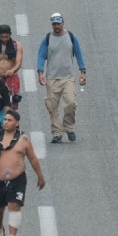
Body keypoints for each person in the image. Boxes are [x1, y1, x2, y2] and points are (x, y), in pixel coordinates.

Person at [0, 110, 45, 236]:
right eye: (5, 120)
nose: (6, 122)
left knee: (15, 205)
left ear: (17, 123)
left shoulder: (24, 139)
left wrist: (40, 176)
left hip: (17, 179)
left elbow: (32, 159)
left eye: (9, 120)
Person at [36, 13, 87, 144]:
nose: (56, 26)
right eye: (54, 24)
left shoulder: (71, 37)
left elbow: (79, 54)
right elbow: (41, 56)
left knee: (70, 103)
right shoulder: (47, 38)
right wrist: (40, 72)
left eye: (58, 23)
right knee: (52, 107)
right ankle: (57, 132)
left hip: (68, 77)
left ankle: (69, 127)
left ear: (63, 23)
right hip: (52, 78)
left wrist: (83, 71)